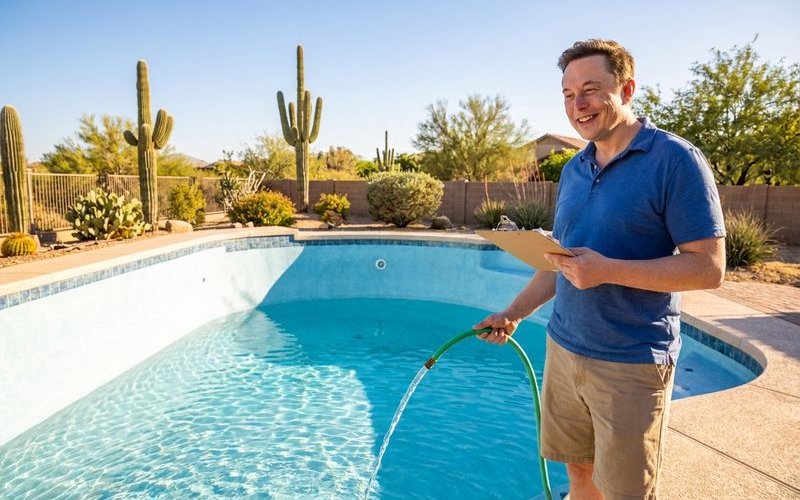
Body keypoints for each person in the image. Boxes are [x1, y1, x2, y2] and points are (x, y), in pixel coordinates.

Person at [474, 39, 726, 500]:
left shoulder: (675, 161)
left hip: (631, 360)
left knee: (626, 490)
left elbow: (708, 269)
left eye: (591, 89)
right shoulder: (574, 169)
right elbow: (561, 263)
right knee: (579, 471)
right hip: (565, 347)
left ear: (626, 88)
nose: (578, 104)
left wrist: (608, 270)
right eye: (568, 94)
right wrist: (513, 313)